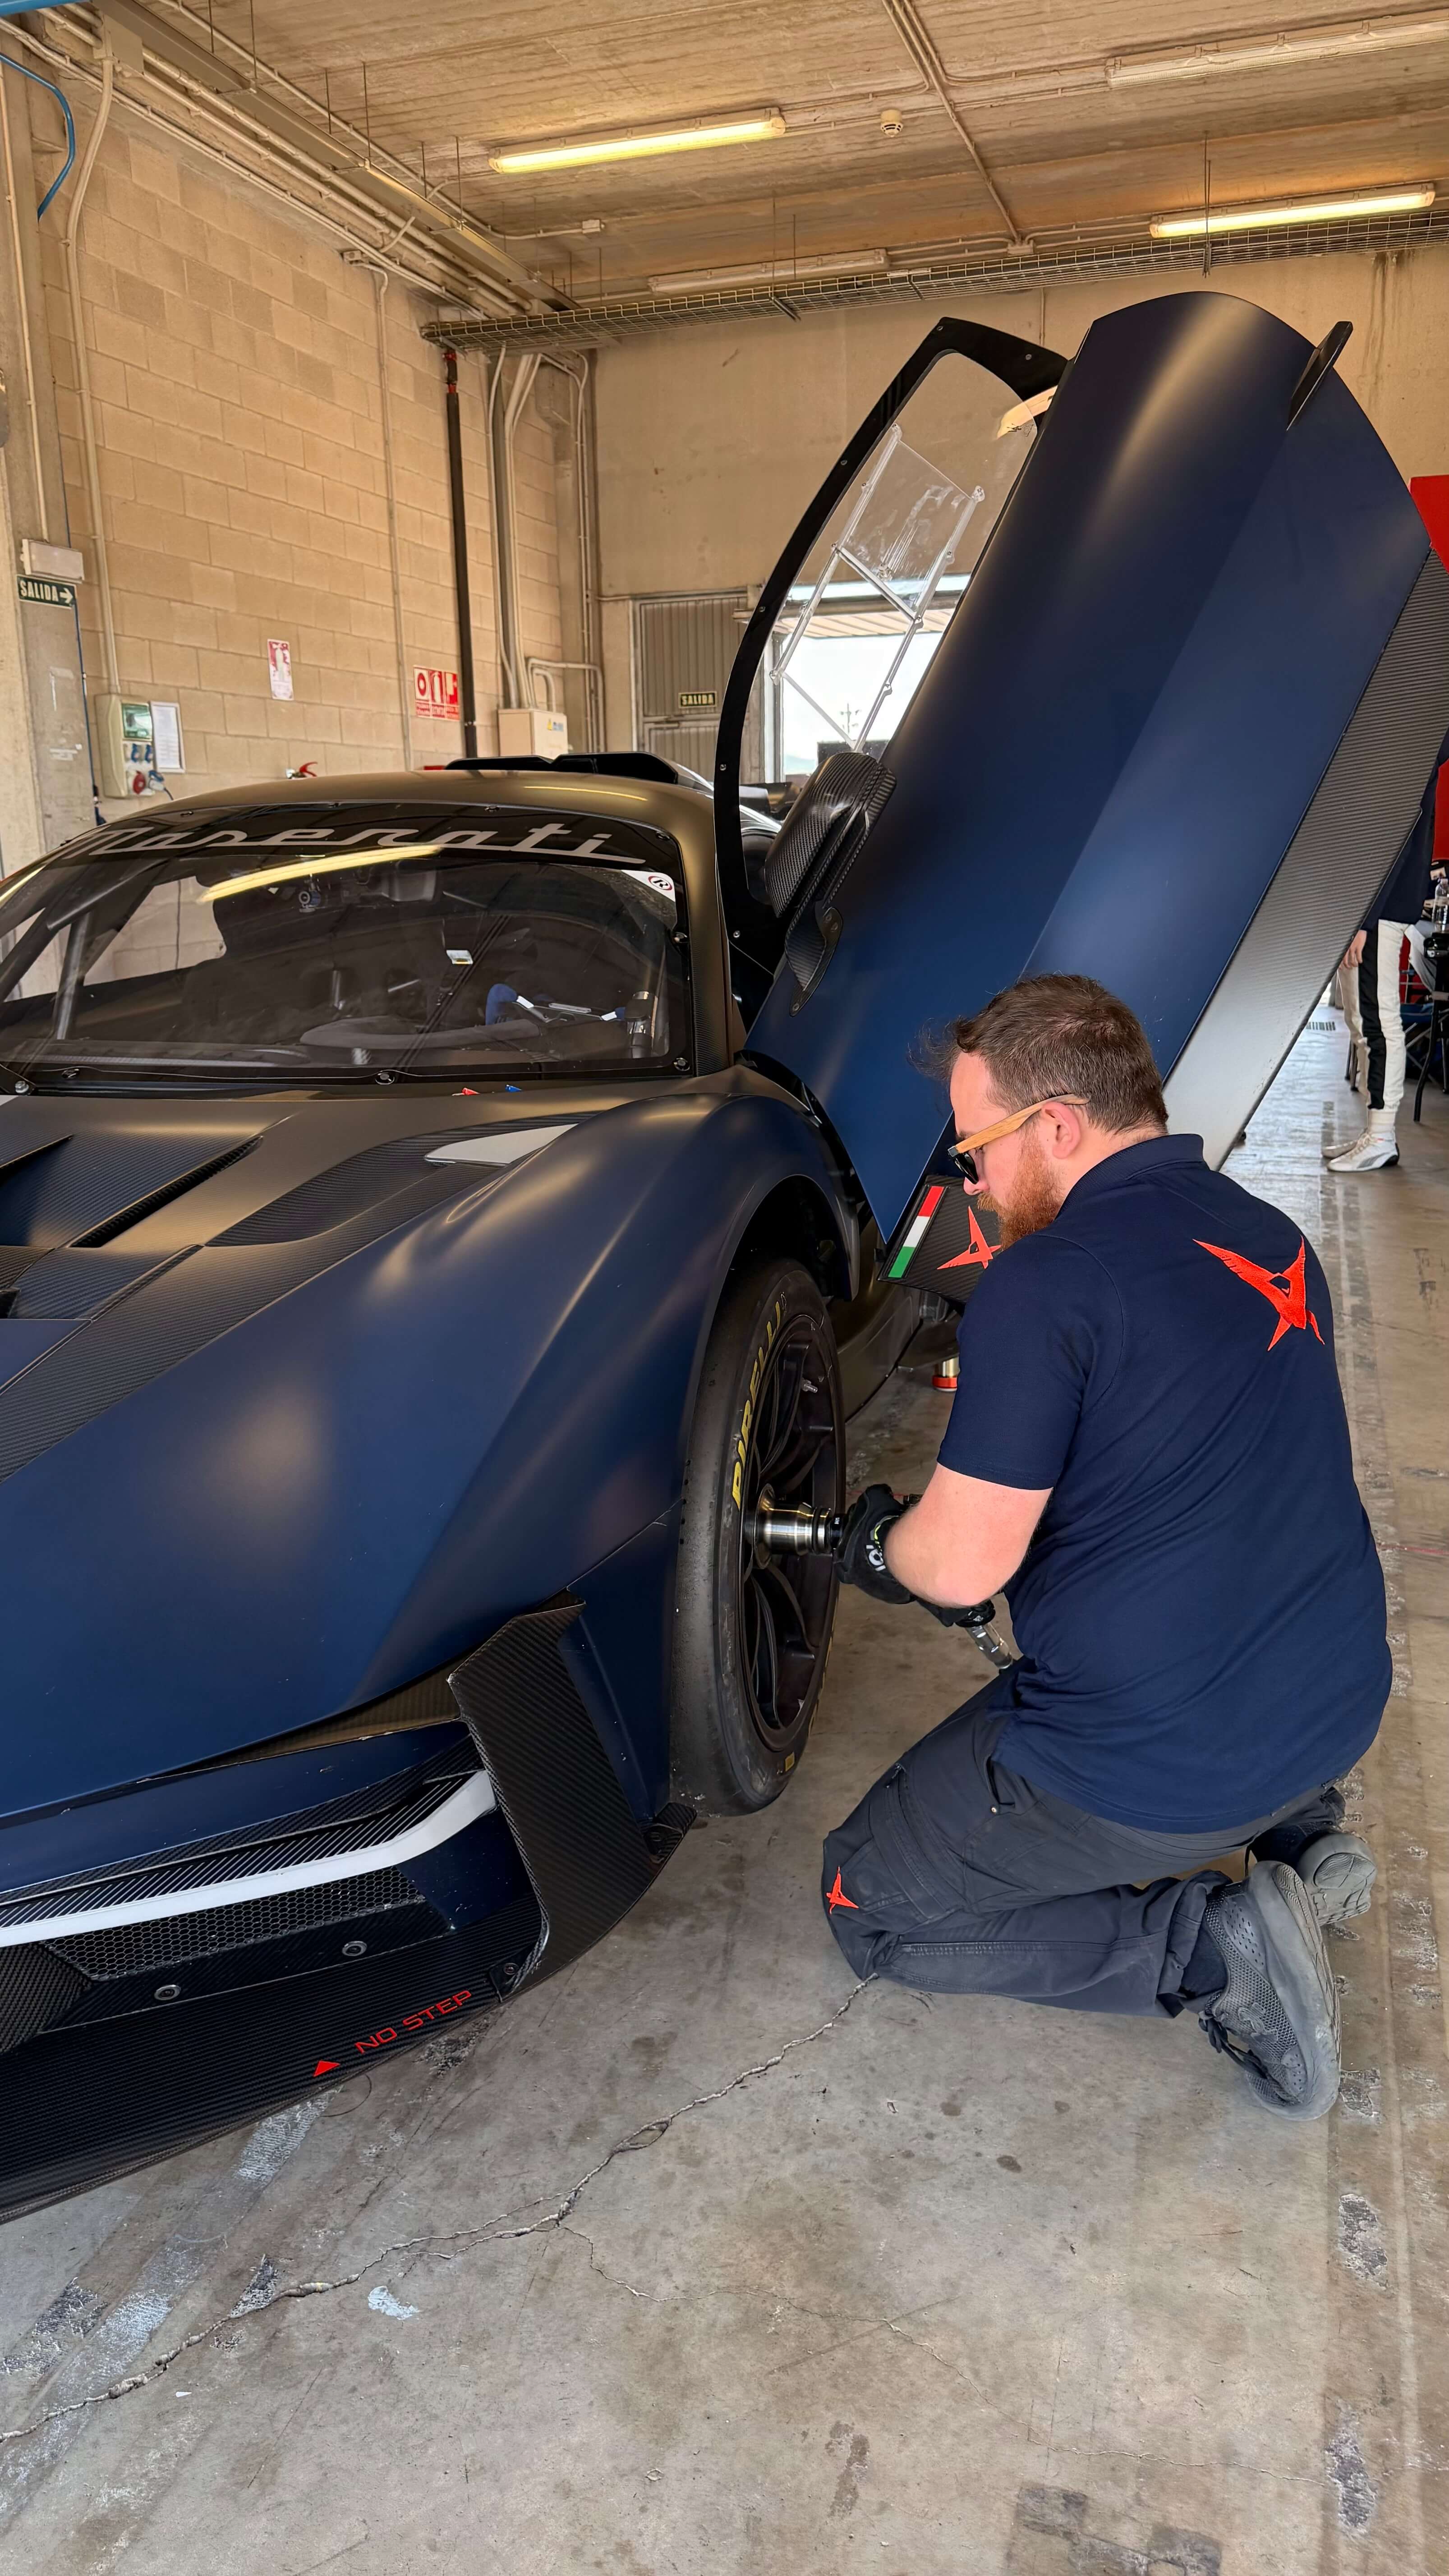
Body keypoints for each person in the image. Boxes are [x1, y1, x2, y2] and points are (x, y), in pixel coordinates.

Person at [823, 975, 1388, 2121]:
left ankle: (1215, 1952)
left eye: (973, 1149)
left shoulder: (1046, 1282)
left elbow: (961, 1568)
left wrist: (880, 1545)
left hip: (1167, 1761)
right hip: (1333, 1705)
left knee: (867, 1901)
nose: (970, 1184)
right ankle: (1298, 1837)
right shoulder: (1266, 1236)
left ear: (1055, 1127)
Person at [1329, 723, 1449, 1173]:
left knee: (1377, 1023)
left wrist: (1363, 920)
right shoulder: (1411, 745)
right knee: (1362, 1022)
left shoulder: (1412, 745)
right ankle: (1374, 1132)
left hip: (1378, 911)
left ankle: (1380, 1137)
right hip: (1372, 910)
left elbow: (1388, 842)